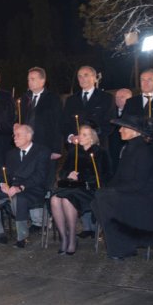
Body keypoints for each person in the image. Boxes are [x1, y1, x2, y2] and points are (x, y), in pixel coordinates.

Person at [91, 115, 153, 260]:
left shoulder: (143, 151)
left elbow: (139, 183)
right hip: (129, 193)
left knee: (104, 198)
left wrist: (113, 191)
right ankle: (122, 243)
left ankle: (122, 247)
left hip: (143, 197)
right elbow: (119, 177)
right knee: (98, 198)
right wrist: (107, 188)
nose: (120, 130)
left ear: (136, 132)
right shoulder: (129, 148)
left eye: (124, 127)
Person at [0, 125, 51, 248]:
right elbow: (3, 172)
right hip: (12, 189)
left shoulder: (42, 151)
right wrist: (3, 184)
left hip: (32, 189)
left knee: (19, 199)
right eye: (14, 135)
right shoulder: (11, 153)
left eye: (18, 135)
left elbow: (40, 176)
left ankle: (22, 237)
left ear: (29, 136)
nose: (14, 138)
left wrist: (20, 187)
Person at [62, 65, 114, 237]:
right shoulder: (71, 100)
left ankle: (98, 224)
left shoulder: (105, 98)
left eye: (86, 75)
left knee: (95, 184)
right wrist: (71, 137)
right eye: (79, 76)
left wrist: (90, 137)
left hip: (96, 150)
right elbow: (66, 125)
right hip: (77, 150)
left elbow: (108, 123)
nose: (82, 79)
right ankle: (86, 227)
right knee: (78, 184)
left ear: (94, 78)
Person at [16, 67, 64, 232]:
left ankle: (48, 218)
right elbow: (21, 119)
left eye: (34, 79)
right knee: (29, 181)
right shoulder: (25, 98)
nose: (30, 82)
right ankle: (36, 221)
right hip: (28, 147)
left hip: (45, 146)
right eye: (29, 79)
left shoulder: (52, 98)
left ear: (43, 81)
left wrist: (56, 148)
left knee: (44, 182)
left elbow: (58, 123)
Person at [51, 124, 111, 255]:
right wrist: (68, 174)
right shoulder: (74, 151)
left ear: (92, 138)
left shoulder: (100, 152)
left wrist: (81, 177)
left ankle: (72, 237)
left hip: (89, 189)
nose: (80, 136)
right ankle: (64, 237)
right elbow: (62, 172)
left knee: (67, 200)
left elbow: (104, 176)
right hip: (71, 187)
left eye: (85, 135)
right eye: (80, 133)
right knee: (55, 199)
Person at [108, 88, 133, 170]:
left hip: (128, 146)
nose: (118, 99)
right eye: (117, 97)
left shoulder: (134, 113)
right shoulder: (110, 111)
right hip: (112, 146)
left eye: (122, 97)